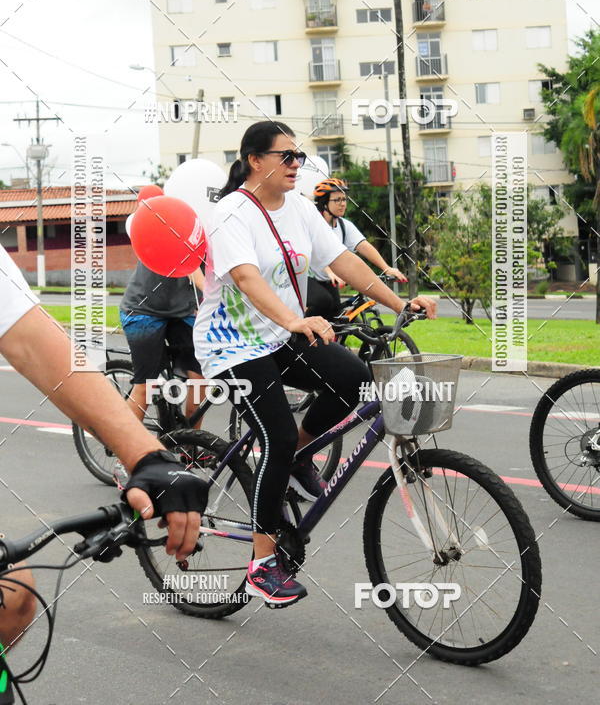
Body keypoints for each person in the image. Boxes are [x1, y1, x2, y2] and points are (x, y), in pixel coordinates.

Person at [193, 121, 436, 608]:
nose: (296, 165)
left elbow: (344, 261)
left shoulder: (301, 208)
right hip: (233, 345)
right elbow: (244, 277)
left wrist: (397, 303)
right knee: (276, 437)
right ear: (254, 159)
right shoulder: (230, 213)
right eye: (286, 156)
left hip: (283, 333)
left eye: (299, 156)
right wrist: (297, 319)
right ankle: (262, 565)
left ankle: (300, 456)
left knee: (357, 381)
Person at [0, 244, 208, 650]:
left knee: (15, 594)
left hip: (178, 317)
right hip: (143, 317)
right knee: (145, 383)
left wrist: (148, 456)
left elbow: (28, 338)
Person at [306, 178, 408, 320]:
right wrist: (330, 272)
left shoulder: (344, 225)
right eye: (337, 200)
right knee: (323, 301)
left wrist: (386, 268)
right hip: (309, 278)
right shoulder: (315, 226)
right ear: (324, 203)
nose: (342, 204)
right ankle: (298, 336)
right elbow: (318, 255)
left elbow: (364, 246)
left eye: (344, 199)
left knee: (338, 320)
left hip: (330, 282)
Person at [119, 262, 205, 426]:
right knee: (146, 386)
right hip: (142, 309)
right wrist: (212, 295)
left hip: (183, 310)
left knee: (199, 379)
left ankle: (190, 445)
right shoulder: (174, 235)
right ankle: (129, 448)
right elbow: (188, 263)